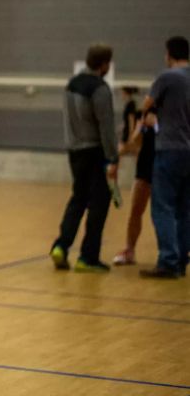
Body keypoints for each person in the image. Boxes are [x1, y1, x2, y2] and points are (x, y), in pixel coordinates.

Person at [50, 44, 118, 273]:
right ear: (105, 64)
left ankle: (61, 246)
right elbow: (106, 127)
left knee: (78, 198)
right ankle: (87, 257)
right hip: (95, 152)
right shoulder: (100, 89)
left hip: (74, 151)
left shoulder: (71, 84)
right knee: (98, 204)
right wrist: (112, 157)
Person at [140, 36, 190, 279]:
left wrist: (152, 119)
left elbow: (146, 105)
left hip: (170, 149)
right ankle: (181, 260)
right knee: (185, 209)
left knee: (163, 207)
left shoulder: (168, 77)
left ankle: (168, 260)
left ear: (169, 54)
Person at [112, 108, 156, 266]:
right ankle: (129, 251)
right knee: (136, 211)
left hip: (165, 169)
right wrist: (141, 127)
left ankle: (171, 253)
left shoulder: (174, 113)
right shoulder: (145, 113)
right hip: (144, 170)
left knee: (165, 214)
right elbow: (135, 141)